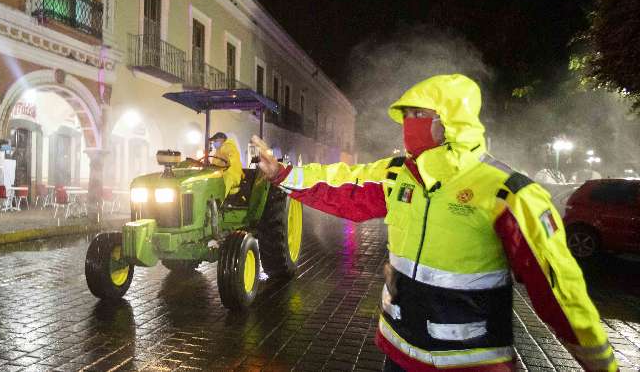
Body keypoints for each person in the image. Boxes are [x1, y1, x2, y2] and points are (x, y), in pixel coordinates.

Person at [252, 74, 618, 372]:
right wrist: (282, 173)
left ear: (447, 122)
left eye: (417, 115)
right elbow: (343, 184)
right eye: (406, 116)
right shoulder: (398, 175)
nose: (407, 125)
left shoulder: (506, 191)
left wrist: (598, 362)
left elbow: (556, 287)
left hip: (469, 363)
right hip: (399, 350)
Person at [209, 132, 244, 198]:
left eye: (215, 141)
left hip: (230, 176)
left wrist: (228, 161)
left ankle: (220, 205)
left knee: (218, 191)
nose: (214, 143)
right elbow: (216, 163)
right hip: (222, 174)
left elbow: (231, 159)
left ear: (222, 139)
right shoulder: (218, 150)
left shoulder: (227, 146)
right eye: (213, 141)